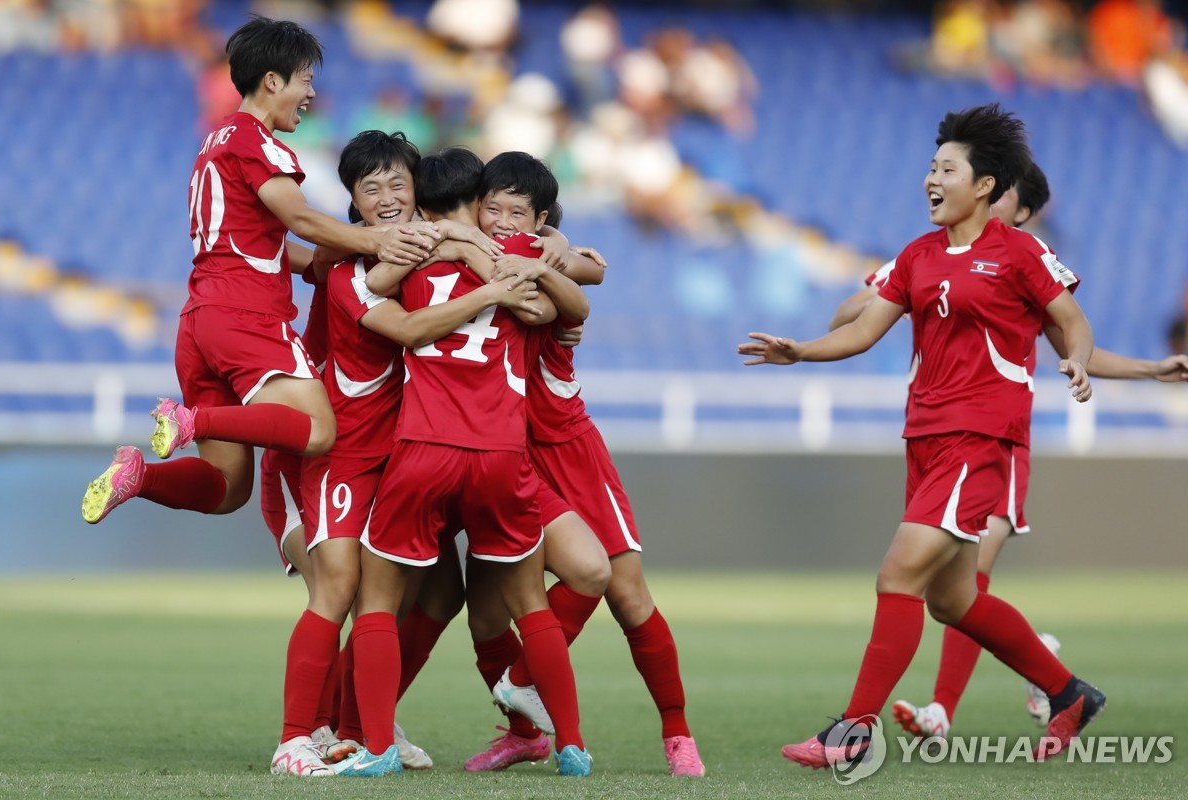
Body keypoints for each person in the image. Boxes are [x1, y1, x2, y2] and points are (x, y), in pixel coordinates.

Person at [739, 103, 1106, 767]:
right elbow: (861, 330)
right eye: (931, 168)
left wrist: (1076, 359)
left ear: (985, 186)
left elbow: (1071, 320)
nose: (931, 179)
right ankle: (1069, 693)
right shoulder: (918, 254)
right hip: (926, 438)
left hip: (978, 438)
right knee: (954, 599)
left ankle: (852, 735)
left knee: (897, 575)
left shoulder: (1019, 251)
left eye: (947, 169)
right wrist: (803, 351)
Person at [81, 15, 440, 528]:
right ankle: (188, 420)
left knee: (226, 489)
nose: (311, 93)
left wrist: (323, 261)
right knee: (317, 429)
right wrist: (375, 238)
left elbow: (263, 244)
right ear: (274, 81)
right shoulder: (259, 141)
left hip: (200, 324)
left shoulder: (214, 145)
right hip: (245, 316)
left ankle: (140, 476)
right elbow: (300, 216)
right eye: (306, 79)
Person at [881, 165, 1188, 741]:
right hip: (940, 432)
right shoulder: (935, 252)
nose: (985, 199)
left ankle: (944, 710)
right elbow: (860, 306)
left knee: (964, 582)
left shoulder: (1023, 257)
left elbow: (1074, 341)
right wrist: (866, 313)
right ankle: (1048, 672)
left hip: (995, 439)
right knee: (956, 593)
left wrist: (1149, 369)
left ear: (1021, 211)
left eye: (1001, 195)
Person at [273, 130, 538, 777]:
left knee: (439, 595)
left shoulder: (432, 246)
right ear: (355, 205)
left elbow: (531, 260)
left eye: (400, 184)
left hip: (406, 457)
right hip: (343, 453)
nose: (389, 197)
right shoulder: (347, 268)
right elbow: (412, 327)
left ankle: (364, 725)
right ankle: (297, 738)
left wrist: (541, 252)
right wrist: (492, 281)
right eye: (373, 188)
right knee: (340, 588)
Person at [340, 146, 593, 778]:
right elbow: (563, 307)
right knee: (530, 602)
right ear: (481, 201)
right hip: (503, 457)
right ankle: (571, 745)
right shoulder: (517, 262)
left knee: (376, 600)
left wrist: (443, 242)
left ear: (420, 202)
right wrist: (491, 252)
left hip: (424, 449)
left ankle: (373, 748)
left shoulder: (410, 261)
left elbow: (372, 291)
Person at [461, 151, 707, 778]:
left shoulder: (540, 257)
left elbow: (583, 276)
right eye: (492, 206)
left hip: (565, 447)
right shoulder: (468, 258)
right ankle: (523, 731)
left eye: (516, 210)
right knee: (487, 611)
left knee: (626, 595)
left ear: (539, 218)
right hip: (497, 452)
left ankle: (676, 734)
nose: (500, 219)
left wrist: (552, 254)